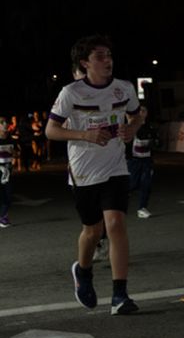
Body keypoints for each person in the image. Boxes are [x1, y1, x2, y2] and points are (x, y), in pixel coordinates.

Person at [45, 37, 145, 313]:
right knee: (93, 231)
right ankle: (83, 270)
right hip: (84, 171)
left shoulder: (124, 88)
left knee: (116, 224)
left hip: (115, 167)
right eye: (100, 56)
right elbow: (51, 131)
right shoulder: (71, 92)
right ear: (85, 63)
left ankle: (120, 296)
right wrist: (84, 135)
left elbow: (137, 116)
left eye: (109, 54)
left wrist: (132, 128)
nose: (107, 60)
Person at [126, 115, 159, 218]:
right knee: (132, 184)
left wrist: (154, 142)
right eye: (140, 111)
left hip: (147, 160)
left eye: (144, 111)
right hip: (134, 160)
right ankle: (119, 202)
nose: (142, 113)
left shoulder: (150, 127)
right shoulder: (130, 127)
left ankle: (142, 208)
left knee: (146, 184)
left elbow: (158, 141)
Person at [0, 116, 17, 226]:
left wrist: (13, 154)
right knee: (2, 195)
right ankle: (3, 218)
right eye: (2, 123)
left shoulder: (10, 139)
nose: (5, 124)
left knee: (8, 195)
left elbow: (16, 154)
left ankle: (3, 217)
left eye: (6, 122)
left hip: (7, 170)